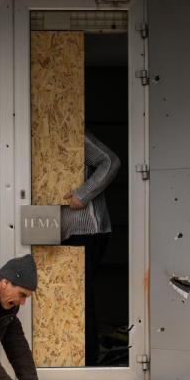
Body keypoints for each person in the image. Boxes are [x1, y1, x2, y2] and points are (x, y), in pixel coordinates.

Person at [62, 131, 120, 365]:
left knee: (81, 294)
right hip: (55, 230)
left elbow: (110, 161)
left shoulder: (73, 131)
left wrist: (84, 194)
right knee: (65, 295)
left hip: (87, 229)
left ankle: (88, 359)